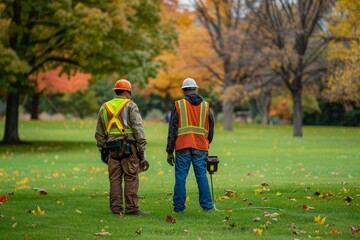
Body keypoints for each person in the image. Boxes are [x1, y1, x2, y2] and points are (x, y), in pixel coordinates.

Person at [95, 79, 149, 216]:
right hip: (129, 148)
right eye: (129, 92)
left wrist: (102, 149)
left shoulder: (104, 107)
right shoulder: (131, 106)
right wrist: (141, 149)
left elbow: (99, 133)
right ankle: (131, 208)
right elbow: (138, 128)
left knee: (115, 179)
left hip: (111, 150)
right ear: (126, 92)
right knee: (131, 177)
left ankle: (116, 208)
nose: (130, 95)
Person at [166, 77, 215, 213]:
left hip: (182, 146)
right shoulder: (205, 106)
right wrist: (207, 141)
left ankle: (179, 208)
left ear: (183, 91)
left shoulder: (179, 105)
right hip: (200, 146)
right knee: (201, 176)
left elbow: (172, 129)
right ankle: (207, 206)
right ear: (196, 89)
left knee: (181, 177)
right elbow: (211, 127)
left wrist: (170, 151)